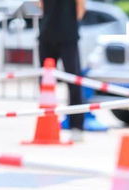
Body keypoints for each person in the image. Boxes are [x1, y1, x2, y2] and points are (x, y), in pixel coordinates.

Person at [38, 0, 85, 141]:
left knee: (74, 81)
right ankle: (47, 123)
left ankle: (76, 126)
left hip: (67, 35)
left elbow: (81, 7)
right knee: (45, 83)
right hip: (48, 33)